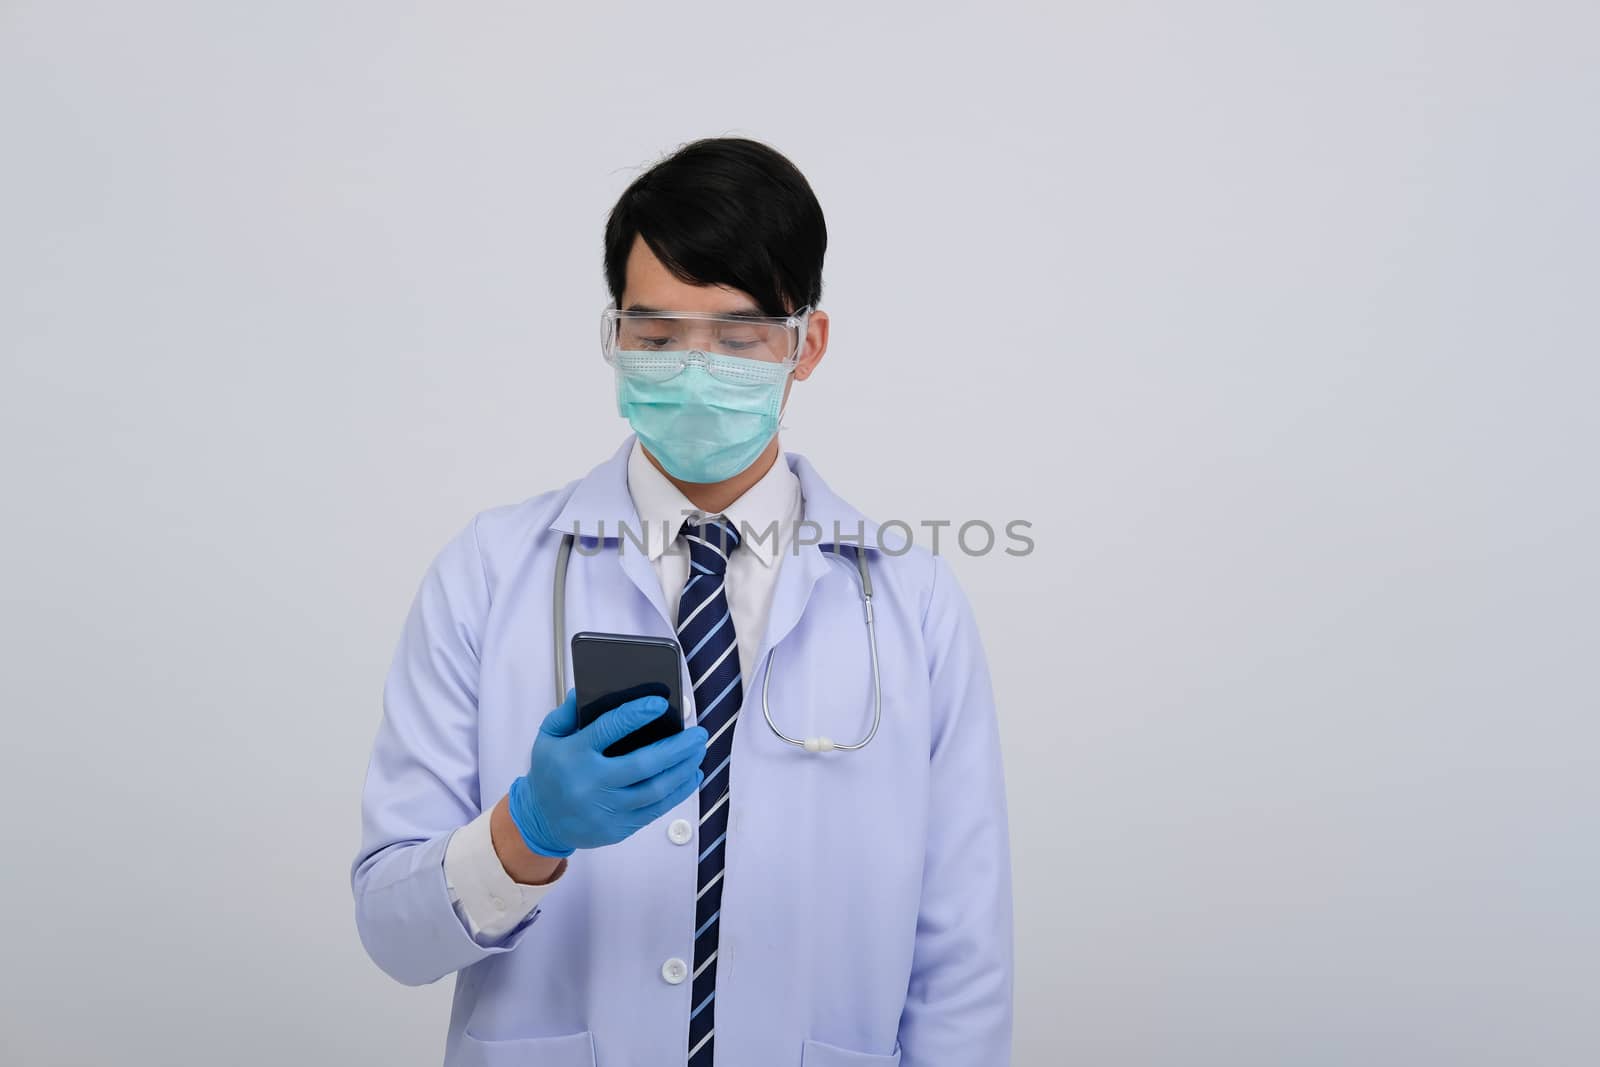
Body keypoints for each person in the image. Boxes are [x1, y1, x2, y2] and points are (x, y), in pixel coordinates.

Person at [350, 136, 1013, 1067]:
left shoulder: (910, 597)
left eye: (739, 341)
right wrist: (523, 835)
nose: (695, 372)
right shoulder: (488, 572)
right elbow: (392, 933)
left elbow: (962, 961)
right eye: (657, 339)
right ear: (614, 335)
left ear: (806, 344)